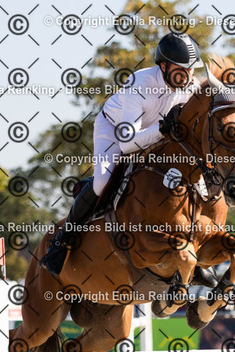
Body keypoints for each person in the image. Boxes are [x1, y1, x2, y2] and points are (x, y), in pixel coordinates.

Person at [39, 33, 214, 286]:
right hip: (115, 131)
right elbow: (128, 143)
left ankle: (196, 257)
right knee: (102, 181)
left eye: (190, 69)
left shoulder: (192, 87)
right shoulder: (140, 84)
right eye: (180, 70)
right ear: (164, 66)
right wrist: (162, 130)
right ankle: (62, 241)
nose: (187, 76)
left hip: (159, 135)